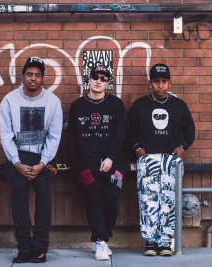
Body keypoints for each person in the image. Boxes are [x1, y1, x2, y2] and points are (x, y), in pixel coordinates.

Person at [0, 56, 63, 263]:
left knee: (44, 199)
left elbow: (54, 136)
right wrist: (17, 163)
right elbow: (6, 134)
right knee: (19, 199)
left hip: (43, 156)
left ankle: (40, 247)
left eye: (37, 75)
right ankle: (24, 247)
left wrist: (42, 163)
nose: (33, 79)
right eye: (29, 74)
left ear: (43, 78)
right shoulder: (9, 100)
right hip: (17, 156)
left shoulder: (53, 102)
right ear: (23, 76)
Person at [126, 63, 195, 256]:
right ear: (150, 83)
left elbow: (190, 130)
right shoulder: (140, 105)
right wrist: (138, 149)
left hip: (171, 159)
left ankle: (165, 241)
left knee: (169, 201)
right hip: (147, 160)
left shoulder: (178, 105)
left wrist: (182, 147)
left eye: (164, 82)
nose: (161, 86)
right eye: (156, 82)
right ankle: (150, 242)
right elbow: (129, 132)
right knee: (148, 201)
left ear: (170, 82)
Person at [68, 65, 126, 261]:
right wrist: (77, 164)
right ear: (88, 80)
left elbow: (120, 135)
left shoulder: (116, 105)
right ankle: (102, 241)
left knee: (112, 198)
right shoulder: (77, 106)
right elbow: (72, 138)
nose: (98, 81)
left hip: (114, 161)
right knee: (93, 198)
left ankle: (101, 236)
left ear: (108, 82)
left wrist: (110, 157)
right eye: (95, 77)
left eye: (103, 78)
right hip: (87, 163)